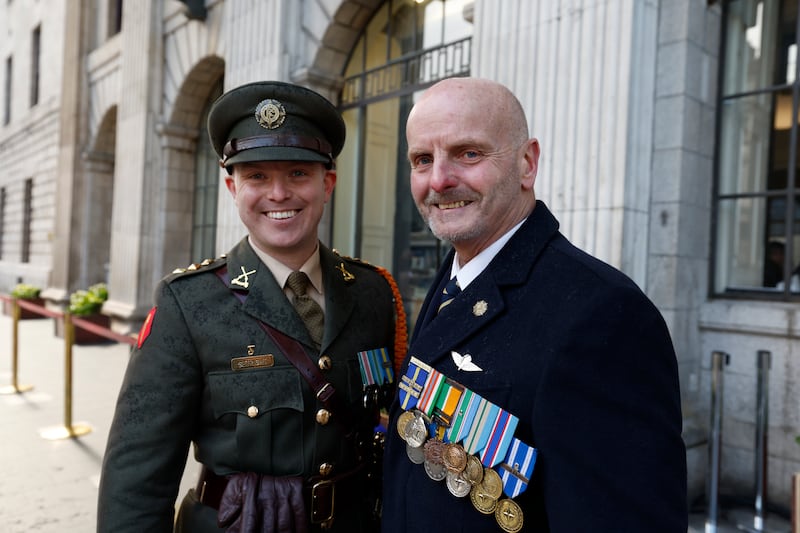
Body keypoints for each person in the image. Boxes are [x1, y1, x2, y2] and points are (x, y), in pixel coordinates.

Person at [98, 81, 405, 533]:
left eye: (298, 173)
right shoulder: (188, 302)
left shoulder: (373, 292)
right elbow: (137, 478)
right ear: (232, 186)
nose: (278, 194)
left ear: (328, 183)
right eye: (257, 176)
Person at [382, 77, 687, 532]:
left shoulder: (604, 314)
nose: (440, 180)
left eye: (469, 153)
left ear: (527, 163)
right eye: (422, 159)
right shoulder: (456, 275)